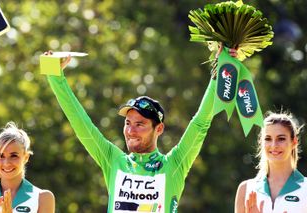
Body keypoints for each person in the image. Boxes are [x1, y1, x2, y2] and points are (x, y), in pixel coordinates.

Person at [44, 46, 235, 212]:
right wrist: (54, 75)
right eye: (127, 123)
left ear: (159, 129)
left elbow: (200, 123)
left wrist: (222, 69)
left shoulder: (174, 164)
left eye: (140, 124)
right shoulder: (113, 160)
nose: (130, 131)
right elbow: (80, 122)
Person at [234, 111, 307, 213]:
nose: (274, 145)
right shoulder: (245, 189)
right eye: (268, 139)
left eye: (281, 139)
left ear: (294, 142)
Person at [0, 122, 55, 213]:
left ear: (26, 157)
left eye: (14, 156)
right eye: (0, 156)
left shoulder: (43, 198)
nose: (6, 163)